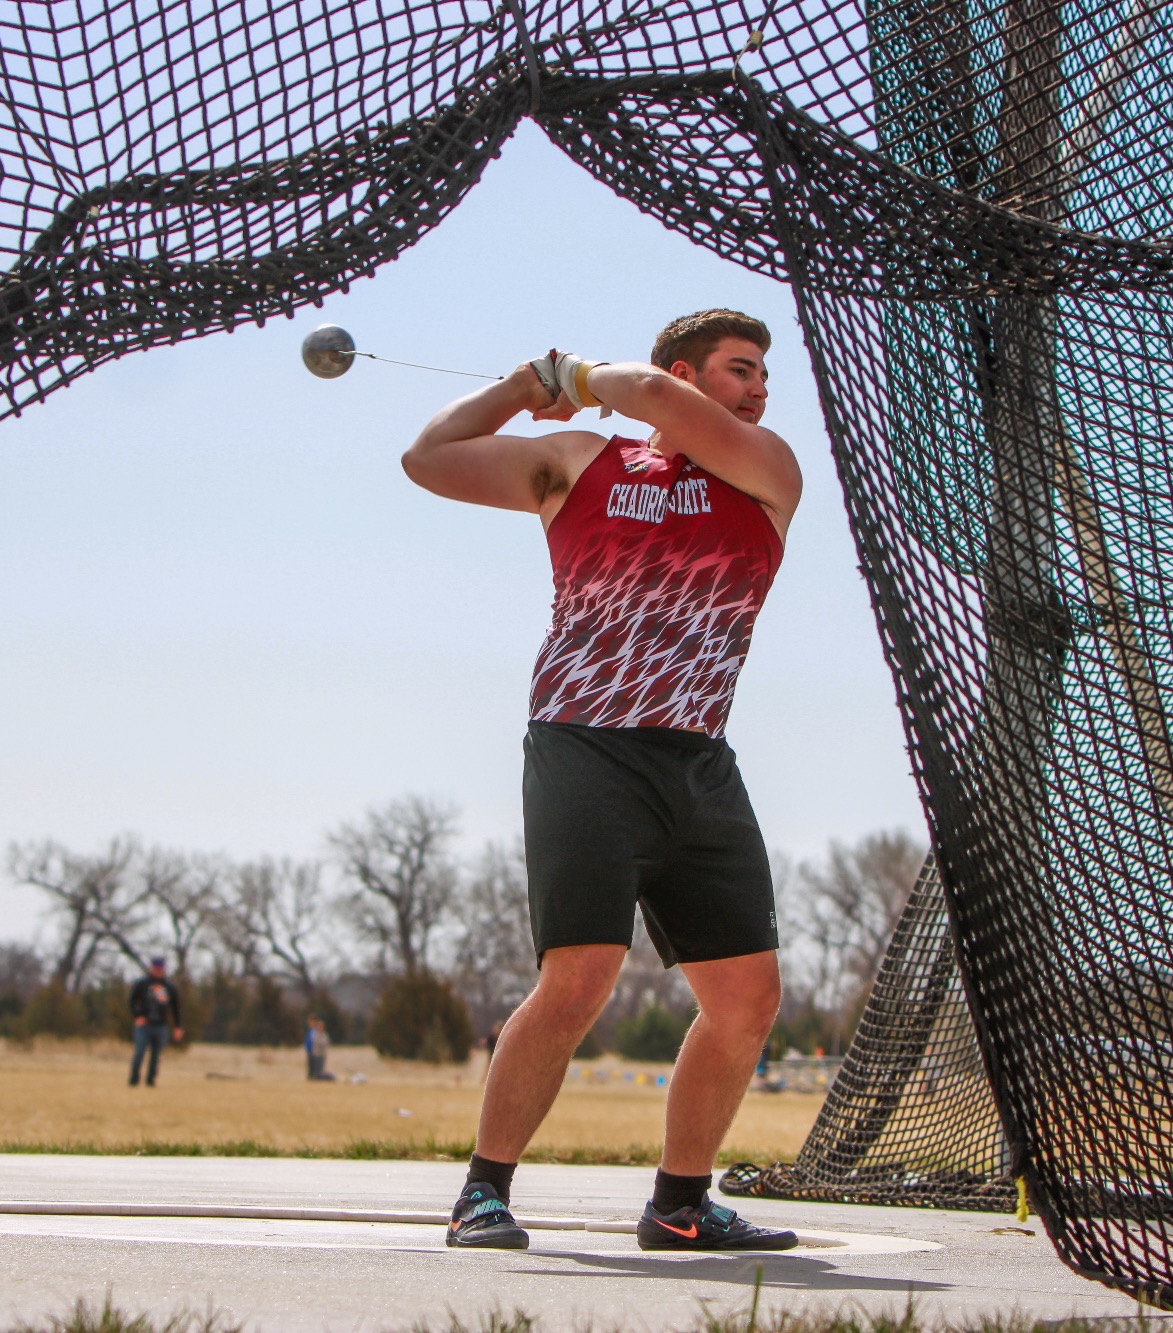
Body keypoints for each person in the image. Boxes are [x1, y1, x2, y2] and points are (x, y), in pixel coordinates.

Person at [402, 310, 801, 1253]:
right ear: (686, 369)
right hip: (584, 745)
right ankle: (483, 1193)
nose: (759, 390)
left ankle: (679, 1203)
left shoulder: (767, 469)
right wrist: (516, 389)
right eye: (741, 371)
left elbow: (653, 398)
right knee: (579, 979)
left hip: (697, 757)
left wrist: (573, 371)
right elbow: (428, 458)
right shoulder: (584, 463)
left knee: (748, 1001)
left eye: (762, 377)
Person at [128, 957, 183, 1087]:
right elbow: (131, 1001)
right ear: (151, 968)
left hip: (161, 1026)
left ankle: (150, 1081)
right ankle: (134, 1080)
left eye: (160, 968)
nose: (158, 971)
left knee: (156, 1055)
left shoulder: (170, 987)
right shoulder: (142, 984)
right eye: (156, 968)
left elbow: (176, 1008)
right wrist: (137, 1016)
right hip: (144, 1025)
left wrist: (178, 1027)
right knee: (140, 1052)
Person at [304, 1016, 334, 1081]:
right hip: (315, 1054)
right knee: (314, 1071)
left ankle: (330, 1077)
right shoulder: (315, 1033)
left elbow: (325, 1043)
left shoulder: (324, 1035)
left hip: (321, 1055)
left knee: (319, 1072)